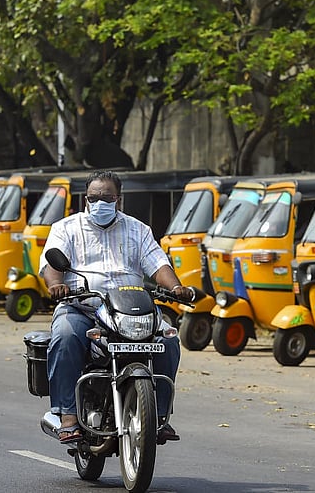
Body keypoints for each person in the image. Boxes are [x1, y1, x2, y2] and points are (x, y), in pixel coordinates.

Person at [39, 170, 194, 444]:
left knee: (168, 340)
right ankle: (68, 416)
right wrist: (56, 286)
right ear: (85, 199)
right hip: (83, 307)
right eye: (93, 198)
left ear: (118, 200)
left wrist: (175, 287)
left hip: (131, 309)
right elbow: (52, 266)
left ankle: (158, 416)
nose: (99, 203)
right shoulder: (65, 228)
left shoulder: (138, 229)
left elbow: (158, 264)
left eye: (106, 197)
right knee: (64, 335)